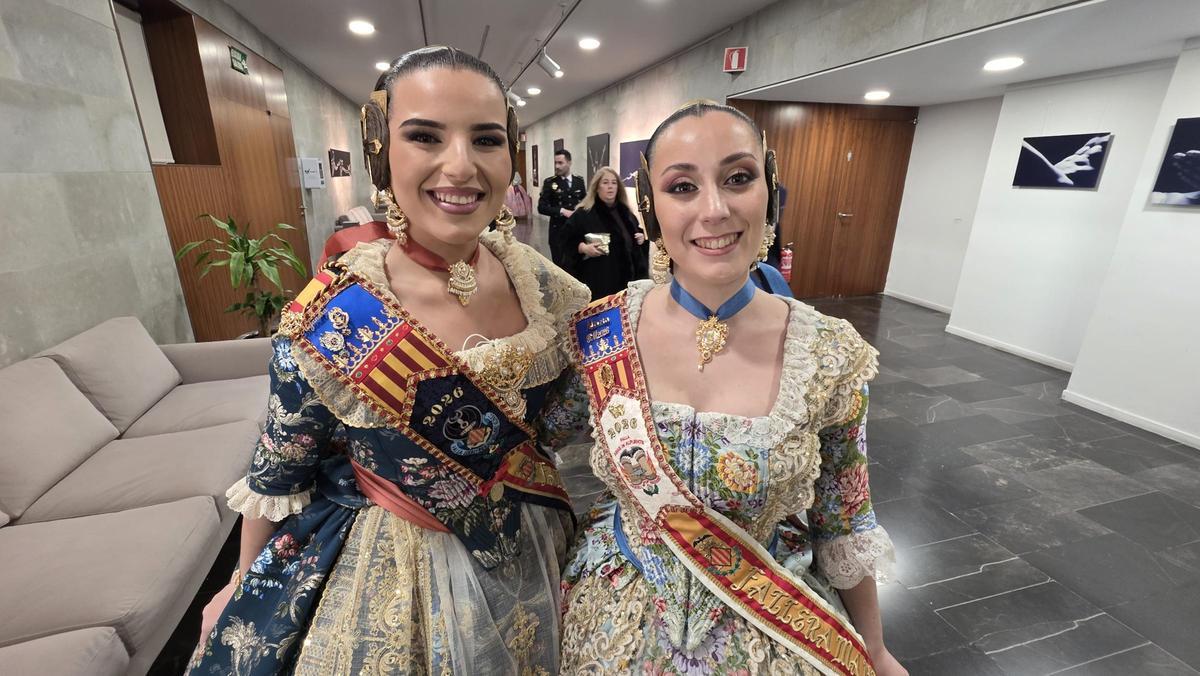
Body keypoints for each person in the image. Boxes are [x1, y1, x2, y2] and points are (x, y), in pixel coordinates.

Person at [186, 46, 591, 675]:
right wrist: (242, 583)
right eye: (424, 136)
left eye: (486, 139)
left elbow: (563, 425)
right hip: (393, 568)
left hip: (531, 540)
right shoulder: (334, 311)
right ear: (382, 151)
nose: (460, 166)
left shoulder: (548, 288)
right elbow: (279, 472)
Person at [560, 100, 907, 675]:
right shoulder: (601, 330)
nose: (715, 209)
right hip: (613, 618)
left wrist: (874, 649)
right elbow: (535, 435)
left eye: (737, 178)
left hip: (772, 620)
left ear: (768, 191)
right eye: (682, 186)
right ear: (651, 206)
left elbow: (844, 515)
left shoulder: (829, 353)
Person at [561, 165, 649, 300]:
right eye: (605, 182)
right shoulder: (584, 214)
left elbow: (637, 235)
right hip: (599, 282)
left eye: (614, 183)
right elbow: (564, 240)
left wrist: (642, 238)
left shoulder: (626, 213)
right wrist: (583, 248)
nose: (610, 186)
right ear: (597, 187)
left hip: (628, 284)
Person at [537, 148, 586, 266]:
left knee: (578, 266)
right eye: (555, 163)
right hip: (558, 232)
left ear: (569, 163)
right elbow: (541, 207)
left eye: (560, 163)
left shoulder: (579, 181)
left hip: (576, 231)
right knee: (560, 267)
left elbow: (585, 202)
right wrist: (562, 211)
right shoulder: (550, 183)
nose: (557, 166)